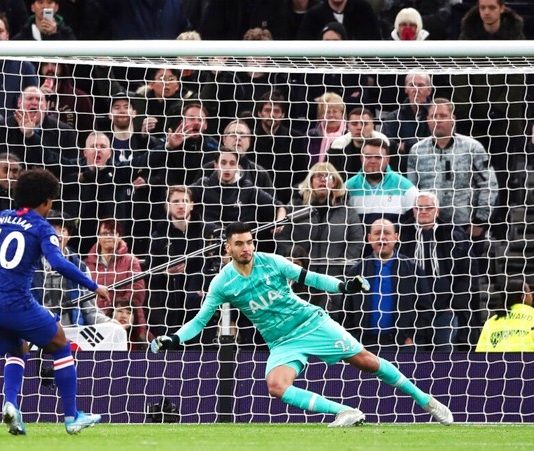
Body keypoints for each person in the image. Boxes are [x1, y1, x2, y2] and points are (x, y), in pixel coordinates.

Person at [150, 221, 453, 427]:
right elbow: (200, 320)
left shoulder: (271, 261)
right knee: (276, 385)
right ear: (228, 248)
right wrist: (174, 339)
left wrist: (343, 286)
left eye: (250, 242)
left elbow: (311, 278)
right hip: (282, 342)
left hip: (311, 323)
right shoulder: (222, 283)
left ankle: (426, 401)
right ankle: (346, 411)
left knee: (367, 362)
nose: (247, 248)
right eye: (239, 244)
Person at [0, 168, 108, 435]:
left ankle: (11, 405)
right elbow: (58, 263)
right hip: (17, 302)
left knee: (18, 349)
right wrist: (94, 286)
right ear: (46, 202)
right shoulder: (42, 228)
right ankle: (72, 417)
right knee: (60, 342)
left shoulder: (2, 218)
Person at [399, 192, 473, 351]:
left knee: (444, 356)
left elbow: (467, 273)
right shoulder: (402, 236)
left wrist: (454, 305)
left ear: (437, 211)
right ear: (413, 211)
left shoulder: (453, 235)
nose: (423, 211)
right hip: (413, 313)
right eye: (419, 208)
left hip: (444, 310)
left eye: (429, 208)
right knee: (413, 358)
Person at [345, 218, 433, 351]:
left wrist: (413, 337)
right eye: (377, 233)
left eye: (386, 233)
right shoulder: (357, 271)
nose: (382, 237)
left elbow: (425, 307)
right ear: (369, 238)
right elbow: (347, 310)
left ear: (396, 237)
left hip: (402, 345)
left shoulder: (412, 269)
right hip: (364, 345)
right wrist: (354, 338)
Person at [84, 218, 149, 349]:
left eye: (113, 233)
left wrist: (118, 312)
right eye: (104, 233)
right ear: (98, 236)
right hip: (95, 324)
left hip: (125, 321)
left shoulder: (131, 261)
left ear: (119, 236)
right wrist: (101, 317)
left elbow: (137, 294)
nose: (108, 236)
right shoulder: (86, 264)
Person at [381, 72, 432, 173]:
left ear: (429, 90)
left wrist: (406, 146)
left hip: (431, 170)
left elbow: (437, 143)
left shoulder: (438, 116)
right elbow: (388, 147)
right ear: (406, 89)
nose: (416, 89)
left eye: (420, 85)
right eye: (412, 85)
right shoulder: (393, 118)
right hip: (401, 172)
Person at [476, 276, 534, 352]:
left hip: (496, 359)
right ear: (523, 297)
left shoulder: (490, 322)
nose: (532, 296)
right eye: (529, 292)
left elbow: (480, 353)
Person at [459, 0, 525, 40]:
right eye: (482, 8)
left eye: (492, 8)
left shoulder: (514, 32)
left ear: (502, 9)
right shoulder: (468, 32)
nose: (486, 12)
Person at [12, 0, 77, 40]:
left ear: (56, 7)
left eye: (49, 2)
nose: (45, 6)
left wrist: (54, 35)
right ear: (32, 7)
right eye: (40, 2)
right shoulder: (22, 37)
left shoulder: (67, 35)